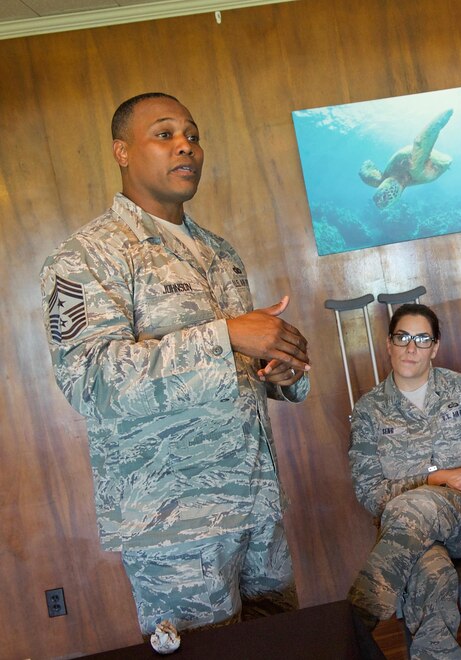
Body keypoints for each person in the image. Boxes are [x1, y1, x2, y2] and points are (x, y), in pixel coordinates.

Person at [40, 93, 311, 635]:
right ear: (122, 152)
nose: (185, 144)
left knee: (282, 643)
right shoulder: (88, 256)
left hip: (254, 501)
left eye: (192, 133)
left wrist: (281, 373)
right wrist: (228, 333)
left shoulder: (219, 251)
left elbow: (243, 365)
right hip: (174, 522)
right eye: (164, 134)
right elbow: (89, 381)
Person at [347, 304, 461, 659]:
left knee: (412, 503)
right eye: (402, 337)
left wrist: (431, 490)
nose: (411, 348)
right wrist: (437, 478)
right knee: (430, 573)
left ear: (435, 347)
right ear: (389, 343)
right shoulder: (370, 411)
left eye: (421, 339)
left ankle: (356, 619)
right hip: (409, 537)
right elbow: (370, 493)